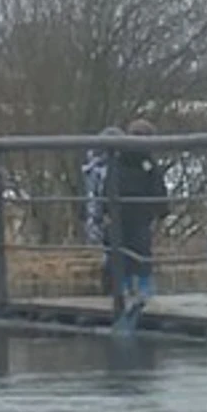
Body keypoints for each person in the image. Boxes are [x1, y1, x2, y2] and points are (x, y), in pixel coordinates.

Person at [81, 119, 170, 303]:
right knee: (141, 251)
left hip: (119, 212)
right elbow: (157, 187)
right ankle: (143, 287)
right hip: (140, 213)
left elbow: (109, 185)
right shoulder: (148, 163)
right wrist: (162, 211)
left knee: (120, 250)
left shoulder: (118, 159)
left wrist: (105, 210)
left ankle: (124, 287)